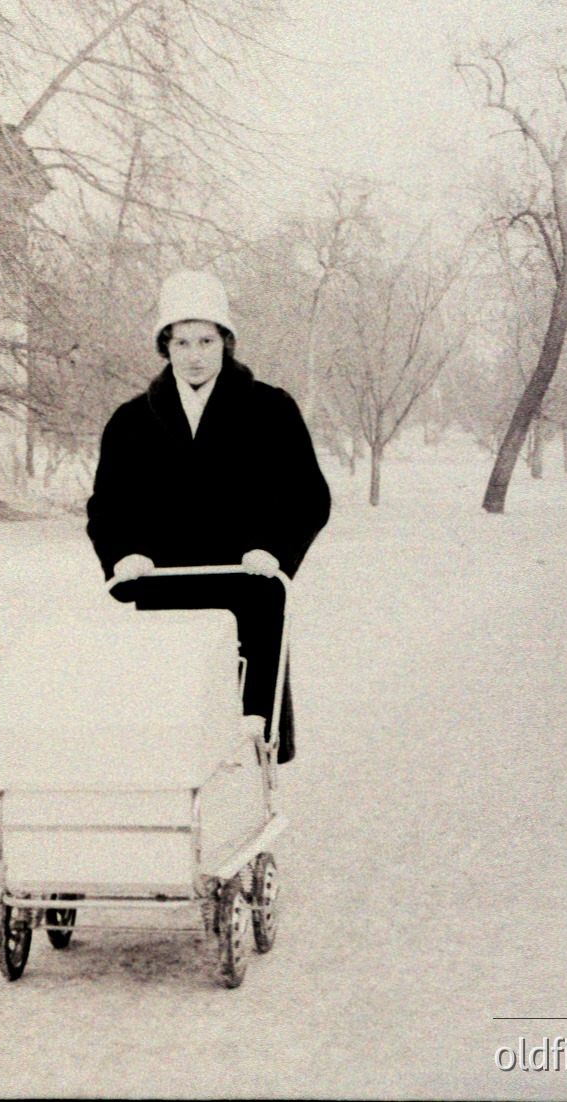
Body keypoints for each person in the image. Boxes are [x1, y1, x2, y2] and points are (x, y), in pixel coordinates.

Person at [86, 270, 331, 763]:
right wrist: (122, 556)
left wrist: (275, 551)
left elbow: (309, 497)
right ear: (166, 347)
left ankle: (257, 802)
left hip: (247, 584)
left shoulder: (271, 409)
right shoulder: (131, 421)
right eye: (181, 342)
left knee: (251, 724)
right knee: (175, 724)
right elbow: (106, 506)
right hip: (169, 589)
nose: (194, 353)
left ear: (226, 343)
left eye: (206, 340)